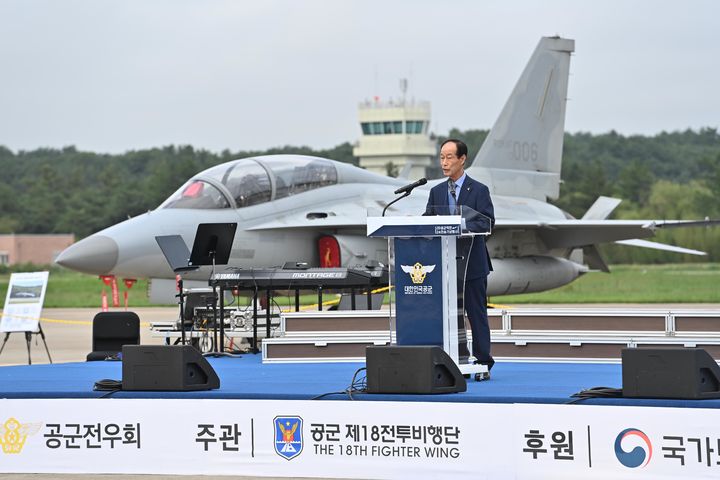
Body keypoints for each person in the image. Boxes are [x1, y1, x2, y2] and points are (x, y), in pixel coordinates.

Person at [424, 139, 495, 379]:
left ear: (462, 159)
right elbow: (428, 221)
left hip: (472, 265)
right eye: (441, 157)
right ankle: (457, 360)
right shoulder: (436, 191)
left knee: (476, 314)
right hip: (444, 266)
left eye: (449, 157)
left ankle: (483, 362)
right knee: (449, 316)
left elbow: (487, 222)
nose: (444, 162)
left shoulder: (479, 190)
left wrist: (458, 224)